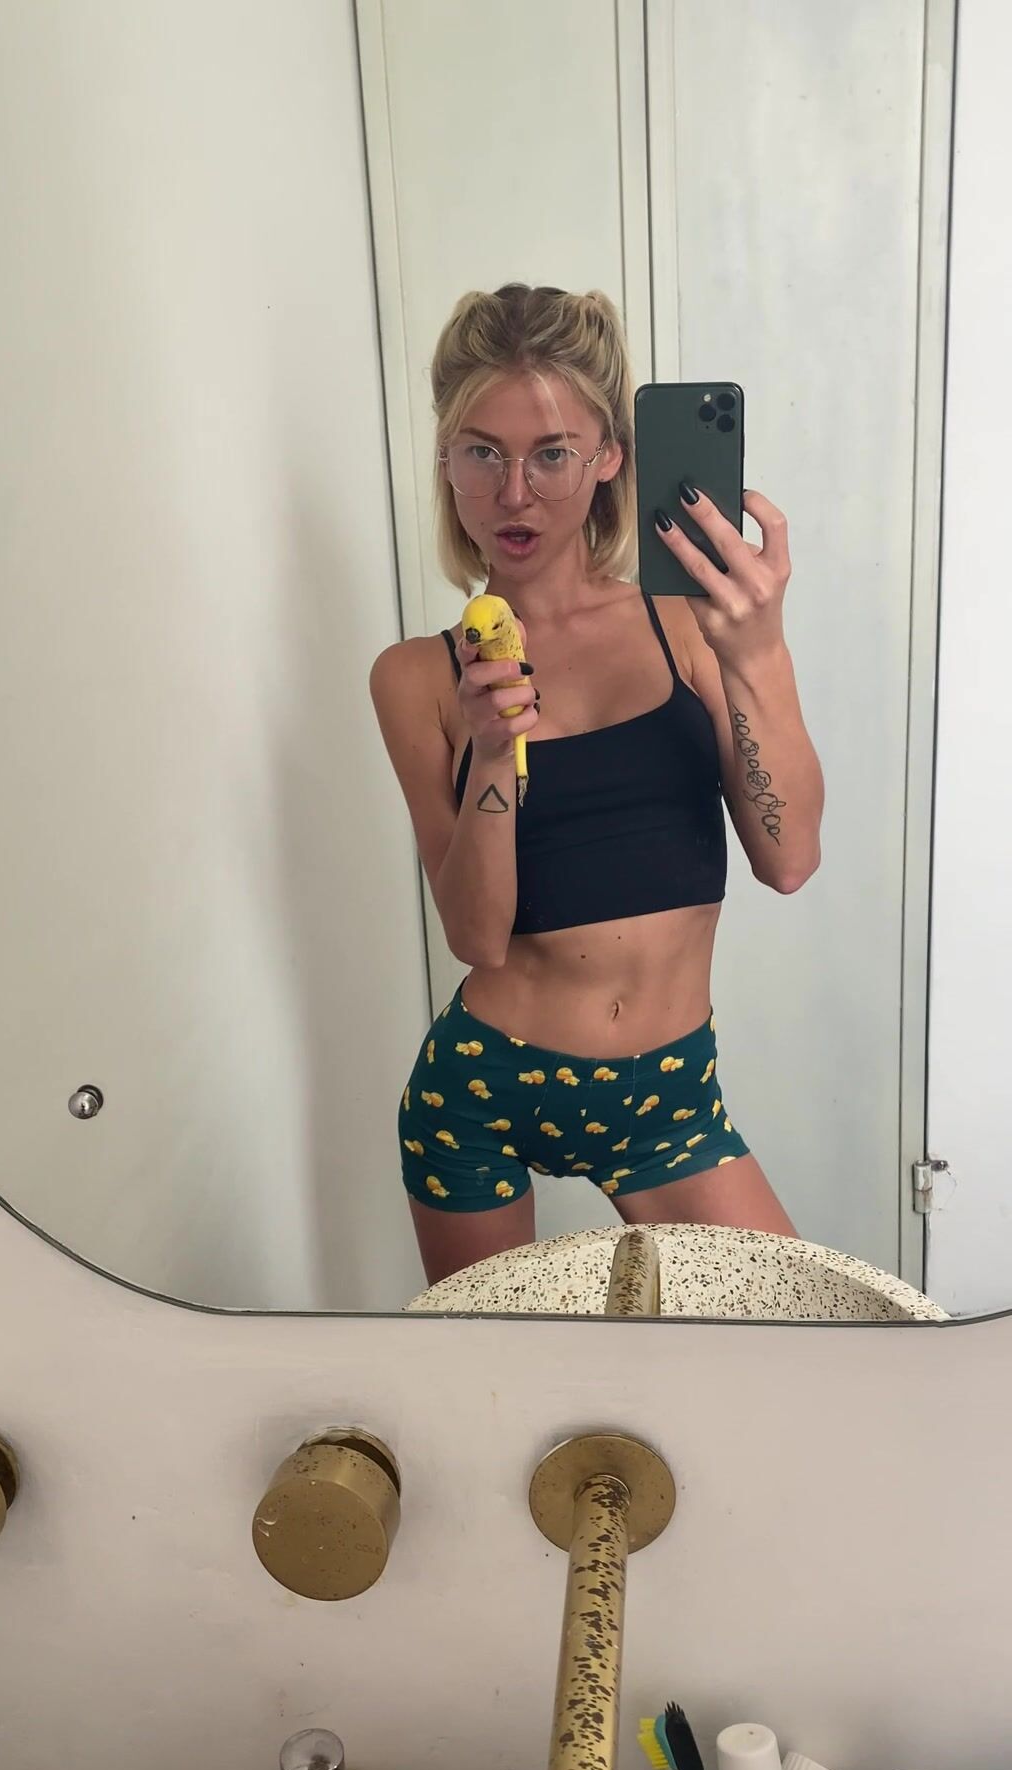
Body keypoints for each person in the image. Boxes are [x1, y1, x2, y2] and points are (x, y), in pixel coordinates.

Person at [370, 283, 824, 1285]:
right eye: (481, 452)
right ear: (446, 460)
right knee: (495, 1366)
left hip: (670, 1100)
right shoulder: (417, 677)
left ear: (611, 455)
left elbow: (789, 859)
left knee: (791, 1328)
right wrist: (494, 753)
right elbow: (476, 936)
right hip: (480, 1094)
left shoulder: (690, 624)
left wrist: (759, 653)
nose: (513, 494)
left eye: (551, 453)